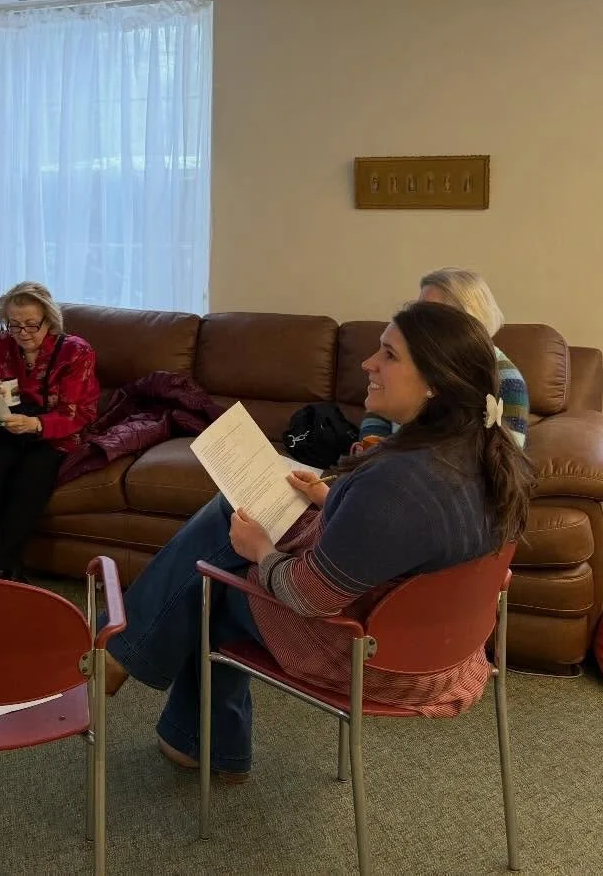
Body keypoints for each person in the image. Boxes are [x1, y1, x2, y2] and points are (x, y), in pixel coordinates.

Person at [100, 301, 533, 783]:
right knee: (230, 528)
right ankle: (181, 727)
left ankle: (147, 679)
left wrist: (260, 550)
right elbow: (413, 543)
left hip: (371, 654)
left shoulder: (398, 482)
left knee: (211, 588)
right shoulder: (485, 457)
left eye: (388, 355)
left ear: (436, 383)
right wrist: (332, 500)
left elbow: (308, 596)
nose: (369, 364)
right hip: (446, 648)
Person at [0, 281, 100, 580]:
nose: (23, 334)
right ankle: (8, 566)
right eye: (14, 325)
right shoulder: (2, 346)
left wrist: (36, 424)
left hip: (56, 432)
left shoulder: (76, 351)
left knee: (32, 473)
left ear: (49, 321)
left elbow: (77, 413)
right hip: (9, 427)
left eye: (32, 325)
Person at [358, 267, 528, 450]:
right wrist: (373, 442)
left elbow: (507, 455)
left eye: (431, 313)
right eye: (419, 309)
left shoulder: (508, 380)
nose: (417, 321)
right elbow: (382, 403)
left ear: (469, 320)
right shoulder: (410, 358)